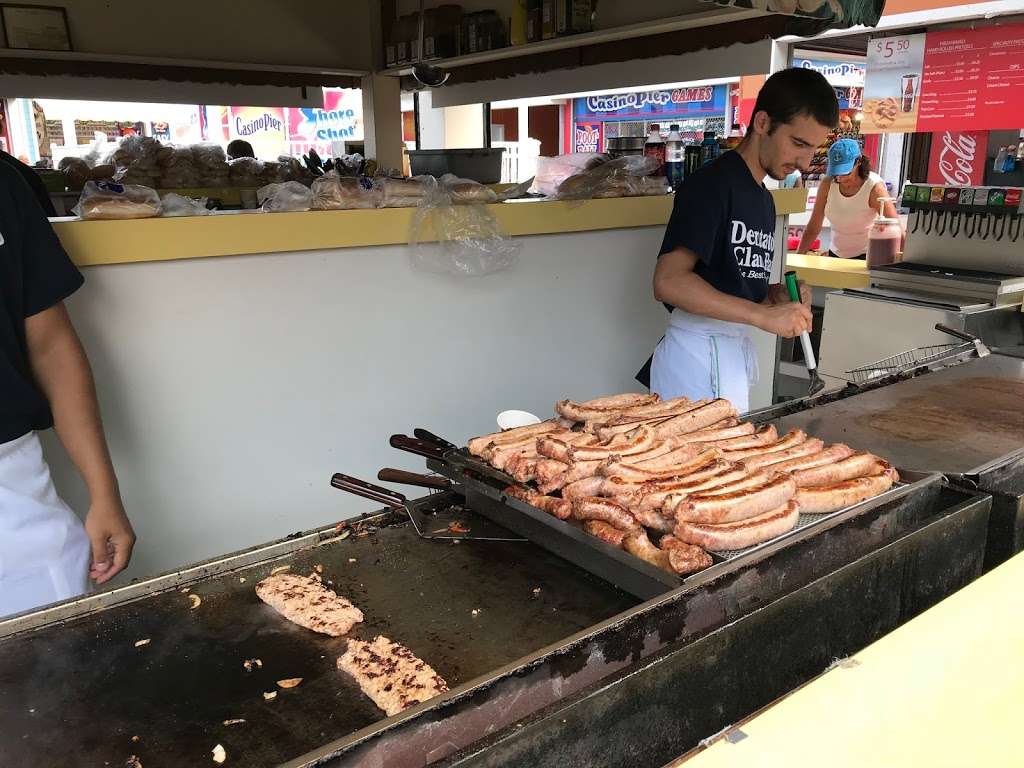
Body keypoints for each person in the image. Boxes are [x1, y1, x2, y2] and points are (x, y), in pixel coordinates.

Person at [648, 68, 838, 413]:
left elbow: (729, 281)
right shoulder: (713, 185)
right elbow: (669, 281)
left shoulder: (764, 198)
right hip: (695, 360)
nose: (804, 162)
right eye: (798, 144)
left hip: (729, 356)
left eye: (813, 149)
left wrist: (773, 296)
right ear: (763, 122)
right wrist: (760, 316)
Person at [0, 161, 134, 619]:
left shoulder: (3, 183)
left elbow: (51, 348)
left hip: (13, 490)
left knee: (58, 674)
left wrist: (104, 494)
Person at [797, 138, 900, 259]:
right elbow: (814, 226)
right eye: (836, 173)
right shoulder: (827, 184)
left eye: (845, 172)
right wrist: (798, 258)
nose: (840, 178)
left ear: (858, 162)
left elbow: (895, 227)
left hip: (867, 256)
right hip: (835, 254)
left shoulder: (874, 187)